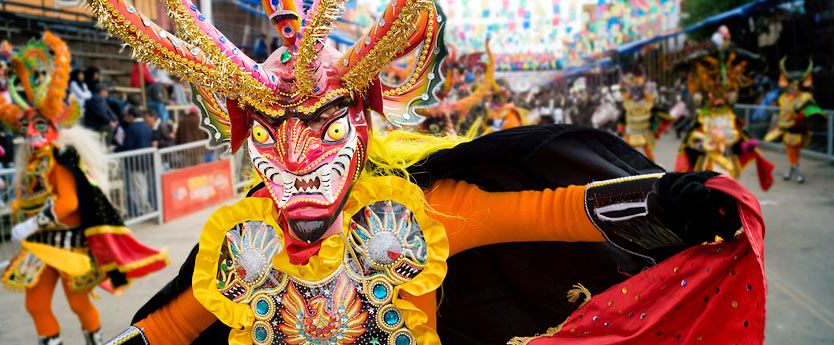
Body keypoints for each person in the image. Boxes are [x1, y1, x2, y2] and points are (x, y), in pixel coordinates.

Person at [90, 1, 766, 344]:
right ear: (246, 138)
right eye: (270, 132)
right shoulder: (241, 241)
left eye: (323, 127)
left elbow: (553, 210)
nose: (296, 158)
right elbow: (172, 329)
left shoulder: (420, 212)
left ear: (359, 123)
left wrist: (666, 202)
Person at [0, 31, 167, 345]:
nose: (31, 133)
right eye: (26, 127)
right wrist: (24, 217)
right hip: (40, 245)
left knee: (79, 304)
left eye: (39, 126)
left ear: (52, 126)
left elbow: (66, 202)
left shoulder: (62, 159)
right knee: (35, 304)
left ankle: (94, 341)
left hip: (68, 243)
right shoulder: (32, 161)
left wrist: (30, 223)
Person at [675, 28, 774, 191]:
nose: (718, 98)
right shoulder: (703, 118)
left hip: (727, 163)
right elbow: (691, 142)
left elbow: (740, 141)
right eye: (713, 94)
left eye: (722, 94)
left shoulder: (730, 116)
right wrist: (703, 142)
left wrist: (746, 146)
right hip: (707, 164)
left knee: (727, 195)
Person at [764, 58, 827, 183]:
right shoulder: (783, 98)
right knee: (790, 150)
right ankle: (793, 168)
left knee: (795, 149)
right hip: (786, 129)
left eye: (796, 85)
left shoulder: (805, 98)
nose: (793, 88)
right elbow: (779, 111)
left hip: (798, 130)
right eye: (791, 85)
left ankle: (794, 168)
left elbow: (812, 111)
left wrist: (801, 116)